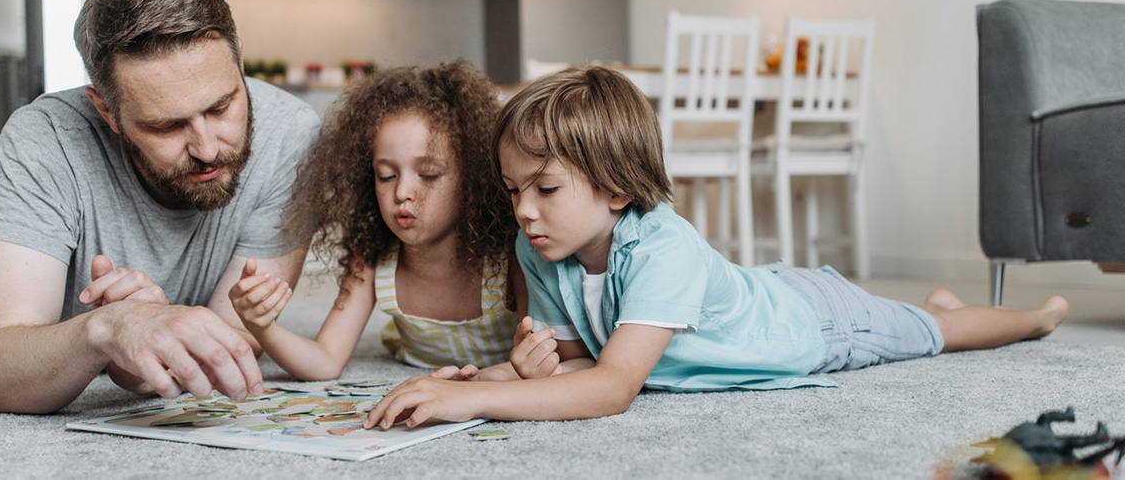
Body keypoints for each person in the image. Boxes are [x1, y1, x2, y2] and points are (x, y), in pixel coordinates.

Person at [362, 66, 1070, 428]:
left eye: (544, 188)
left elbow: (611, 388)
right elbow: (584, 352)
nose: (522, 210)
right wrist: (498, 373)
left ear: (614, 187)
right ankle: (928, 305)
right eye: (514, 189)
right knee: (915, 317)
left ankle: (1031, 316)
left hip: (812, 322)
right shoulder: (536, 247)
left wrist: (476, 405)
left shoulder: (663, 247)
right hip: (752, 291)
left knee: (933, 333)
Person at [0, 0, 320, 414]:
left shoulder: (290, 134)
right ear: (106, 110)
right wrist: (108, 329)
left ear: (239, 59)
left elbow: (235, 341)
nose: (208, 148)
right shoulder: (44, 138)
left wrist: (134, 365)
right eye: (166, 126)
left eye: (221, 107)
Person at [227, 60, 527, 381]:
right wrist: (262, 326)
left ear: (473, 178)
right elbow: (325, 360)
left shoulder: (511, 255)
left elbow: (541, 356)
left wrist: (484, 383)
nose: (402, 192)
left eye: (427, 175)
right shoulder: (373, 259)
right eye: (386, 175)